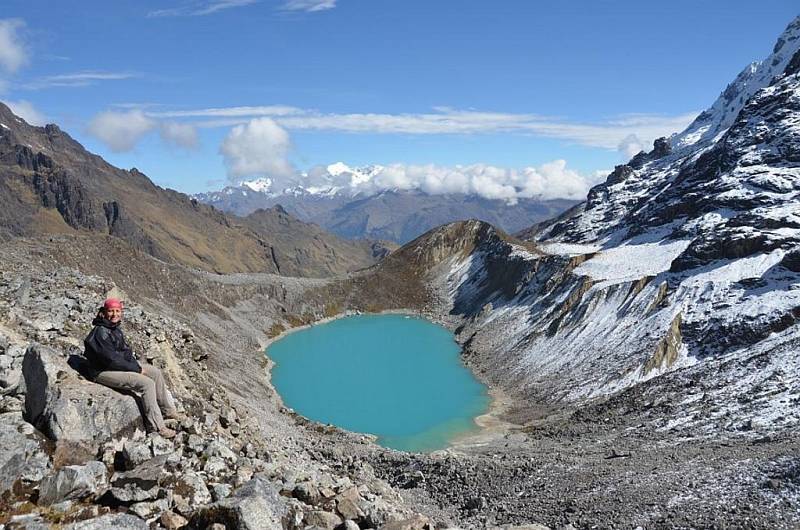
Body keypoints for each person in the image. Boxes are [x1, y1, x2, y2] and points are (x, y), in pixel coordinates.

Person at [84, 297, 183, 439]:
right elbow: (111, 360)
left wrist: (136, 365)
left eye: (117, 311)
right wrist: (136, 370)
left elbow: (125, 352)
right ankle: (156, 427)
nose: (114, 314)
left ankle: (167, 410)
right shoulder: (101, 332)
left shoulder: (114, 328)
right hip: (101, 371)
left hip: (115, 366)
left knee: (155, 373)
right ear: (104, 312)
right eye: (111, 311)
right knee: (147, 384)